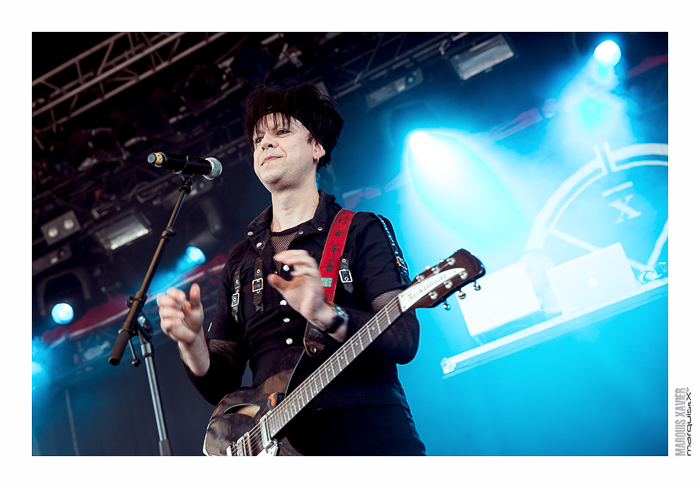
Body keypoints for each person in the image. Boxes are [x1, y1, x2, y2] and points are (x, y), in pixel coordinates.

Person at [156, 83, 425, 455]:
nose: (265, 143)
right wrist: (191, 343)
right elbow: (221, 386)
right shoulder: (239, 261)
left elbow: (405, 337)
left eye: (281, 131)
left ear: (317, 147)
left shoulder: (361, 230)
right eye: (258, 138)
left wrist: (325, 313)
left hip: (369, 440)